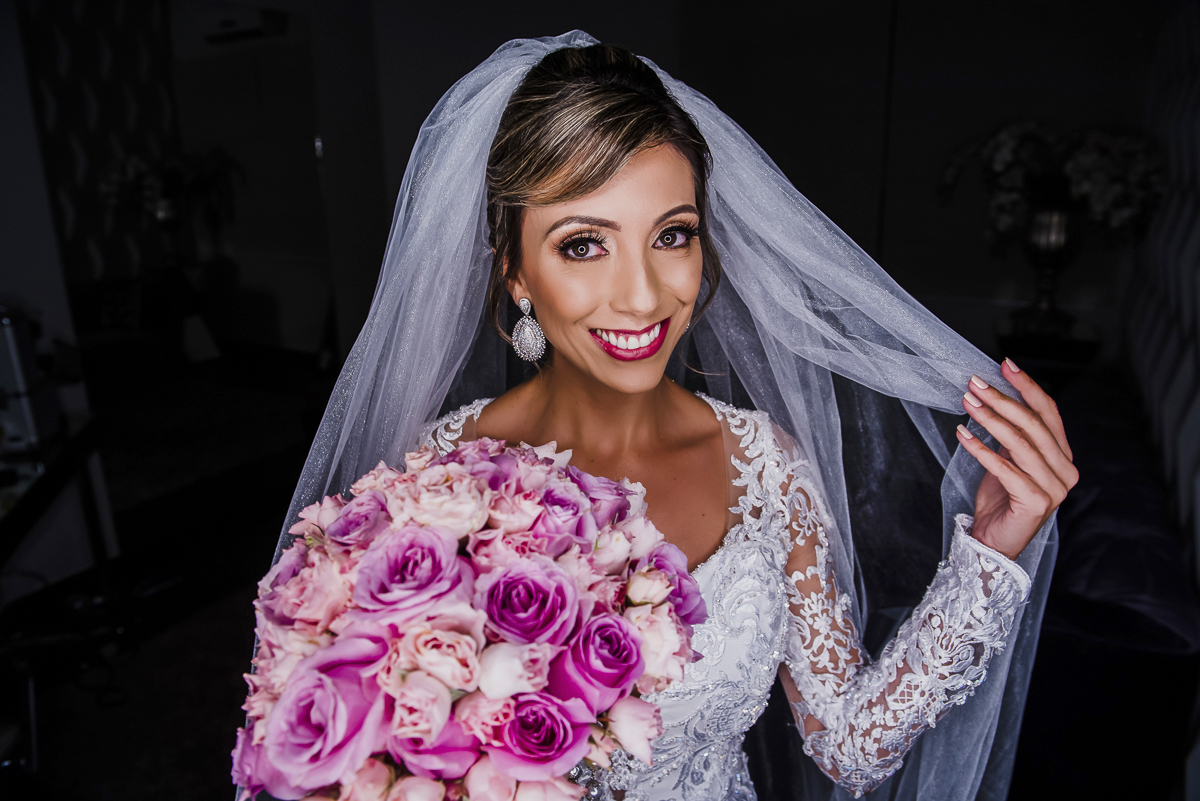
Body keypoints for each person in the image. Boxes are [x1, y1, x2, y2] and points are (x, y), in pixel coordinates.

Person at [269, 32, 1075, 801]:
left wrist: (993, 550)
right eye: (584, 243)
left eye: (672, 235)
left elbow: (847, 743)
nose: (646, 295)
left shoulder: (766, 465)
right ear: (515, 270)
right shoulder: (437, 480)